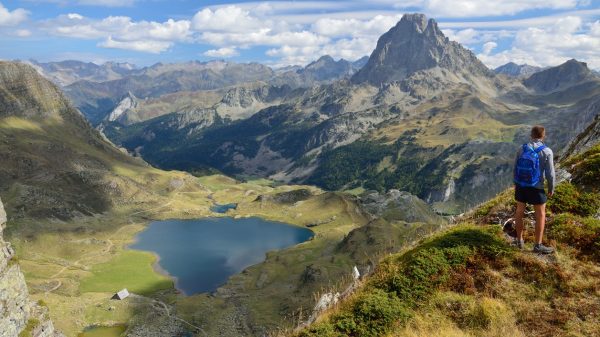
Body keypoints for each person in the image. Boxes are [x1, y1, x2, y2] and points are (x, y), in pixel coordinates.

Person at [513, 125, 555, 254]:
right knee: (541, 215)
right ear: (543, 136)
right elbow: (550, 173)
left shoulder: (522, 148)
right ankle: (538, 245)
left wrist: (516, 183)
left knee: (519, 211)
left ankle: (519, 241)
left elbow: (515, 167)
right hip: (536, 187)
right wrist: (551, 188)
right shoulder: (547, 151)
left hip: (521, 185)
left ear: (531, 135)